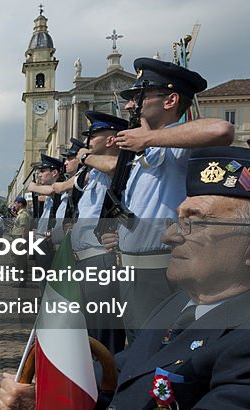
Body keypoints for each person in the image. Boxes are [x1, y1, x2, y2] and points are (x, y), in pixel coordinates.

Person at [0, 147, 250, 409]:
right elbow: (129, 370)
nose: (168, 237)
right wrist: (52, 393)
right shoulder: (187, 301)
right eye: (175, 220)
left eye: (192, 223)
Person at [91, 57, 233, 338]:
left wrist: (149, 139)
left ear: (169, 101)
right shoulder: (143, 150)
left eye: (139, 97)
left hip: (162, 273)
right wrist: (120, 235)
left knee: (157, 352)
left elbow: (221, 130)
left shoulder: (174, 145)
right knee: (136, 347)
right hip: (130, 271)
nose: (130, 105)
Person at [73, 111, 131, 354]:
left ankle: (107, 385)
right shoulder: (94, 172)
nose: (88, 142)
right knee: (91, 332)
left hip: (103, 260)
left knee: (105, 337)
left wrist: (86, 158)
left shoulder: (113, 166)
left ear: (110, 140)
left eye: (93, 136)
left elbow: (117, 166)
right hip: (87, 260)